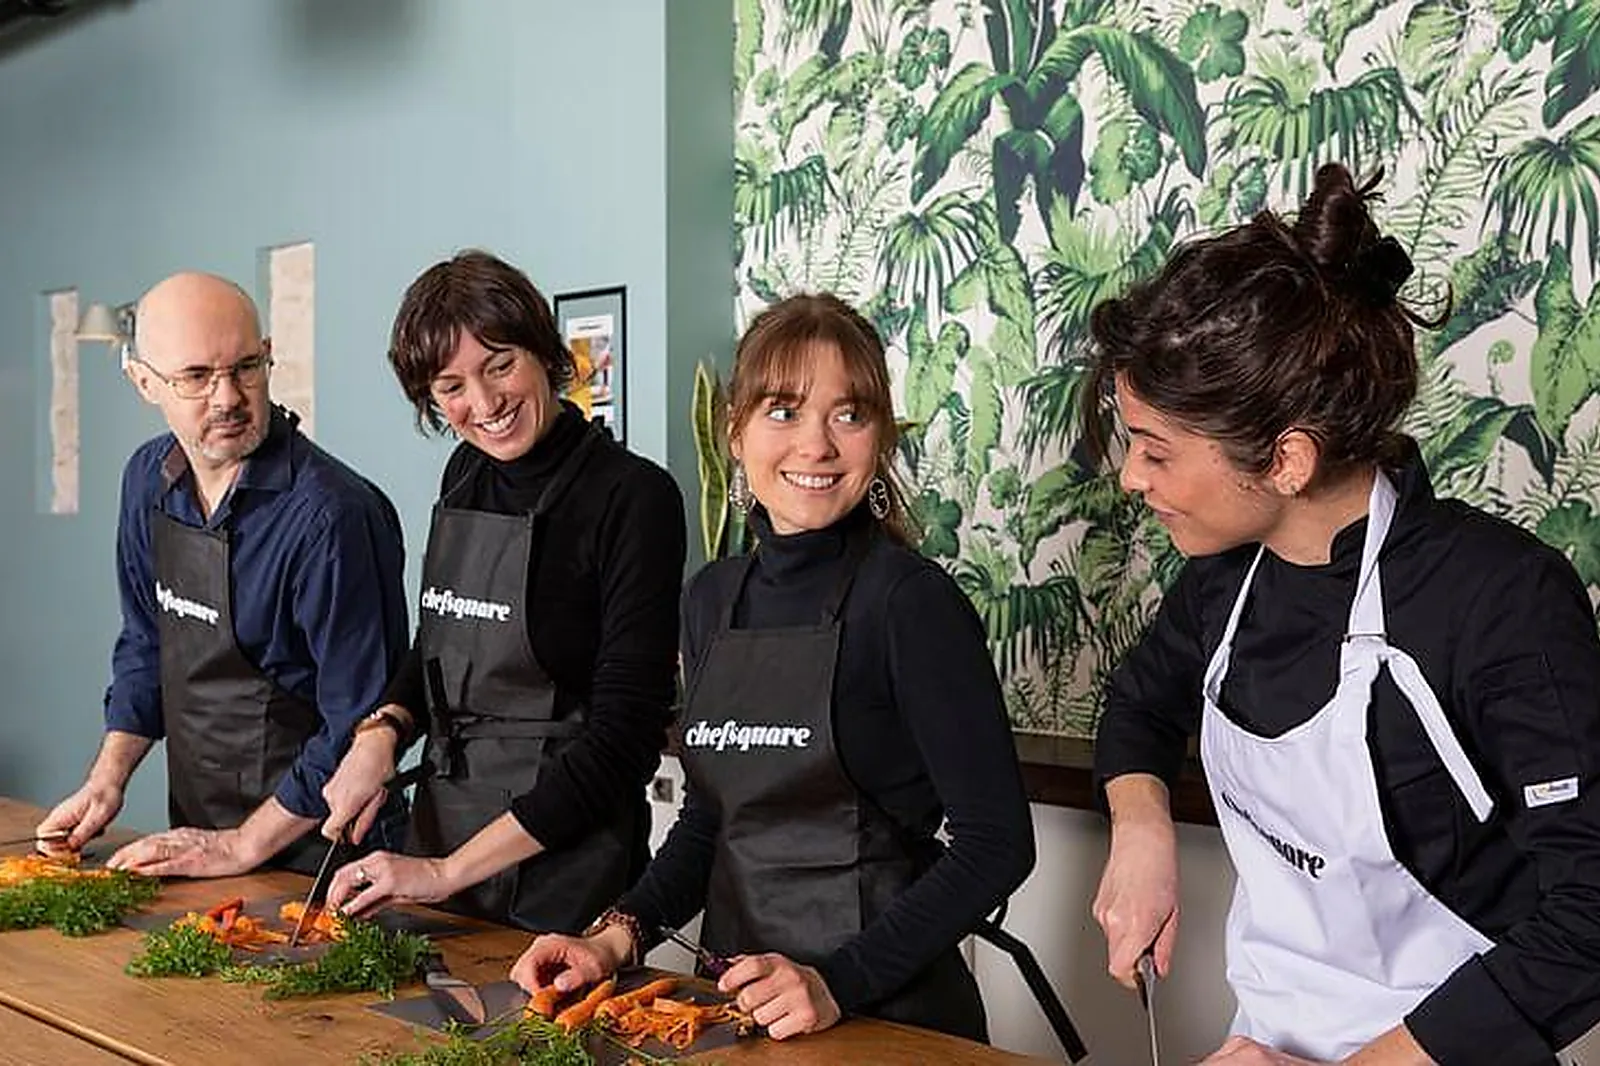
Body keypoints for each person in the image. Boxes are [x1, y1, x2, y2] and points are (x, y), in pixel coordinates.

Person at [1089, 164, 1600, 1065]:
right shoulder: (1225, 578)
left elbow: (1592, 915)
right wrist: (1140, 831)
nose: (1133, 479)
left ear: (1286, 460)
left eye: (1156, 452)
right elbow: (1138, 704)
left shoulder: (1499, 601)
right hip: (1262, 1043)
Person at [508, 293, 1038, 1044]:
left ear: (879, 435)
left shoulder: (910, 603)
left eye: (848, 414)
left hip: (890, 1022)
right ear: (735, 432)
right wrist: (612, 937)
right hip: (742, 1016)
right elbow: (713, 820)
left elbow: (998, 843)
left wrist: (837, 984)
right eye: (783, 412)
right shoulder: (711, 600)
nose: (816, 445)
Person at [317, 250, 685, 933]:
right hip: (443, 832)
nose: (484, 405)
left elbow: (625, 738)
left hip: (568, 870)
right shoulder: (465, 472)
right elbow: (441, 640)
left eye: (500, 365)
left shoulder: (634, 497)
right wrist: (383, 732)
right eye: (450, 387)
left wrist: (449, 870)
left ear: (545, 352)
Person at [36, 272, 411, 877]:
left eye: (246, 367)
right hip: (202, 836)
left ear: (268, 358)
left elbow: (359, 718)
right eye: (196, 377)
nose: (228, 397)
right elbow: (146, 645)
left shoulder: (332, 516)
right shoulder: (146, 483)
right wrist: (106, 783)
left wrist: (245, 844)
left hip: (331, 856)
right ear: (143, 381)